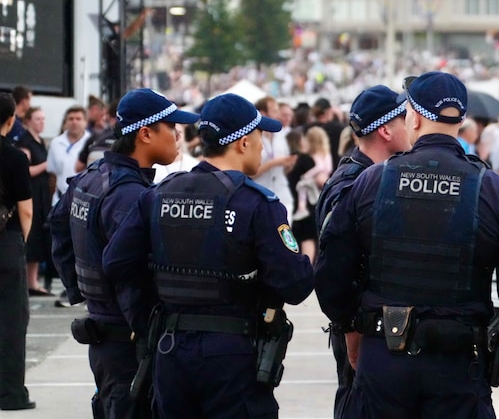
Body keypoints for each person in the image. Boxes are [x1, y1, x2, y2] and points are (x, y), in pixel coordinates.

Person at [315, 71, 499, 417]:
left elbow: (331, 272)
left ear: (413, 116)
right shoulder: (494, 190)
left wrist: (349, 327)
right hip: (459, 367)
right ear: (461, 121)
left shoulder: (371, 182)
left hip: (384, 360)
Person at [102, 93, 314, 419]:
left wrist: (156, 310)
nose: (263, 145)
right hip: (233, 354)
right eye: (260, 136)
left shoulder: (159, 194)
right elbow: (294, 285)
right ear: (243, 142)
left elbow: (116, 263)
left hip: (170, 349)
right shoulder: (257, 203)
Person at [49, 88, 199, 419]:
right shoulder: (129, 194)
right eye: (171, 127)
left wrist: (81, 292)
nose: (178, 136)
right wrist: (148, 332)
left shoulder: (92, 177)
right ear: (145, 133)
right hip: (128, 342)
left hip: (105, 331)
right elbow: (127, 271)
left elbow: (57, 228)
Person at [314, 84, 411, 419]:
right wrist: (351, 327)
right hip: (363, 332)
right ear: (385, 129)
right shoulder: (352, 185)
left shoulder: (377, 176)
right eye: (404, 118)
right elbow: (335, 270)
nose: (411, 123)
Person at [0, 92, 35, 410]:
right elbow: (25, 211)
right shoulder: (14, 157)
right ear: (11, 120)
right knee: (11, 321)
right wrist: (19, 242)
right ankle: (10, 394)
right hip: (6, 244)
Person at [15, 107, 53, 296]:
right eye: (37, 119)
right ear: (28, 120)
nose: (41, 122)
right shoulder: (25, 142)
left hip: (43, 193)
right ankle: (29, 281)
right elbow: (26, 170)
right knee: (32, 236)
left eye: (43, 119)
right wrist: (47, 165)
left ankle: (33, 280)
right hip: (31, 193)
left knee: (40, 237)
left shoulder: (41, 142)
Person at [253, 96, 296, 223]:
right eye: (274, 110)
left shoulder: (280, 134)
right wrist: (274, 163)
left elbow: (285, 170)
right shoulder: (254, 137)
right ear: (262, 112)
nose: (277, 115)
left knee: (286, 237)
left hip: (282, 193)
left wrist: (289, 164)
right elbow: (251, 173)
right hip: (260, 195)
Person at [47, 105, 90, 204]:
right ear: (65, 122)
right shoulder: (56, 143)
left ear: (85, 122)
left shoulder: (92, 142)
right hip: (60, 199)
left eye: (78, 119)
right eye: (71, 119)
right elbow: (52, 174)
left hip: (84, 201)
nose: (74, 122)